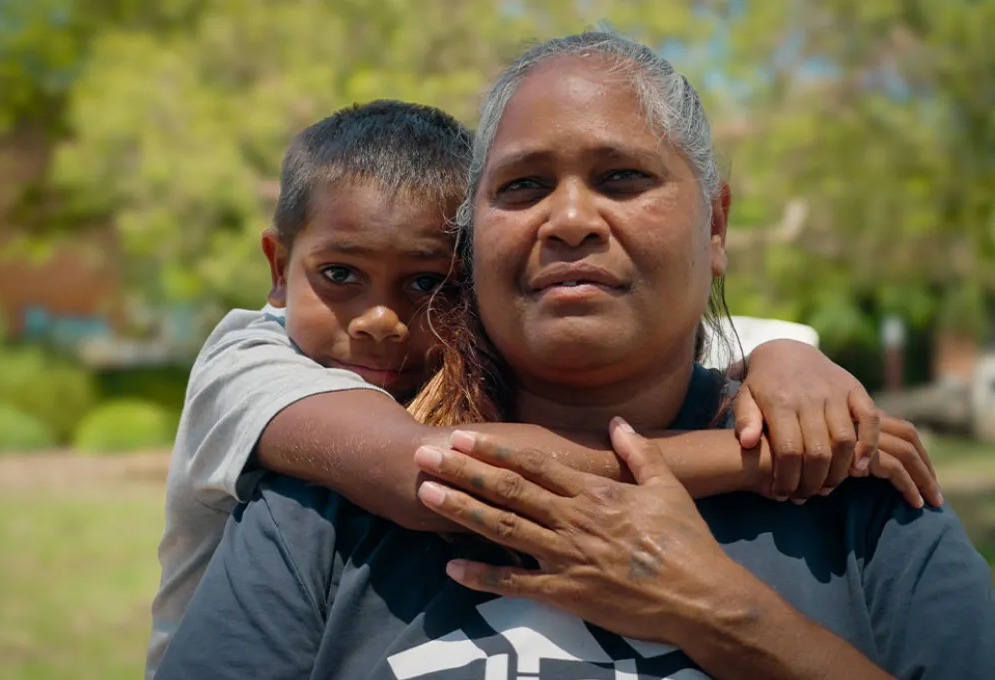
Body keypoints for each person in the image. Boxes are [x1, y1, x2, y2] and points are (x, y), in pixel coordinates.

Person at [148, 99, 940, 678]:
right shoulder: (252, 364)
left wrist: (794, 365)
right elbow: (444, 469)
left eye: (430, 283)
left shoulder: (875, 520)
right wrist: (756, 457)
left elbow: (721, 339)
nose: (384, 320)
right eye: (340, 275)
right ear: (279, 268)